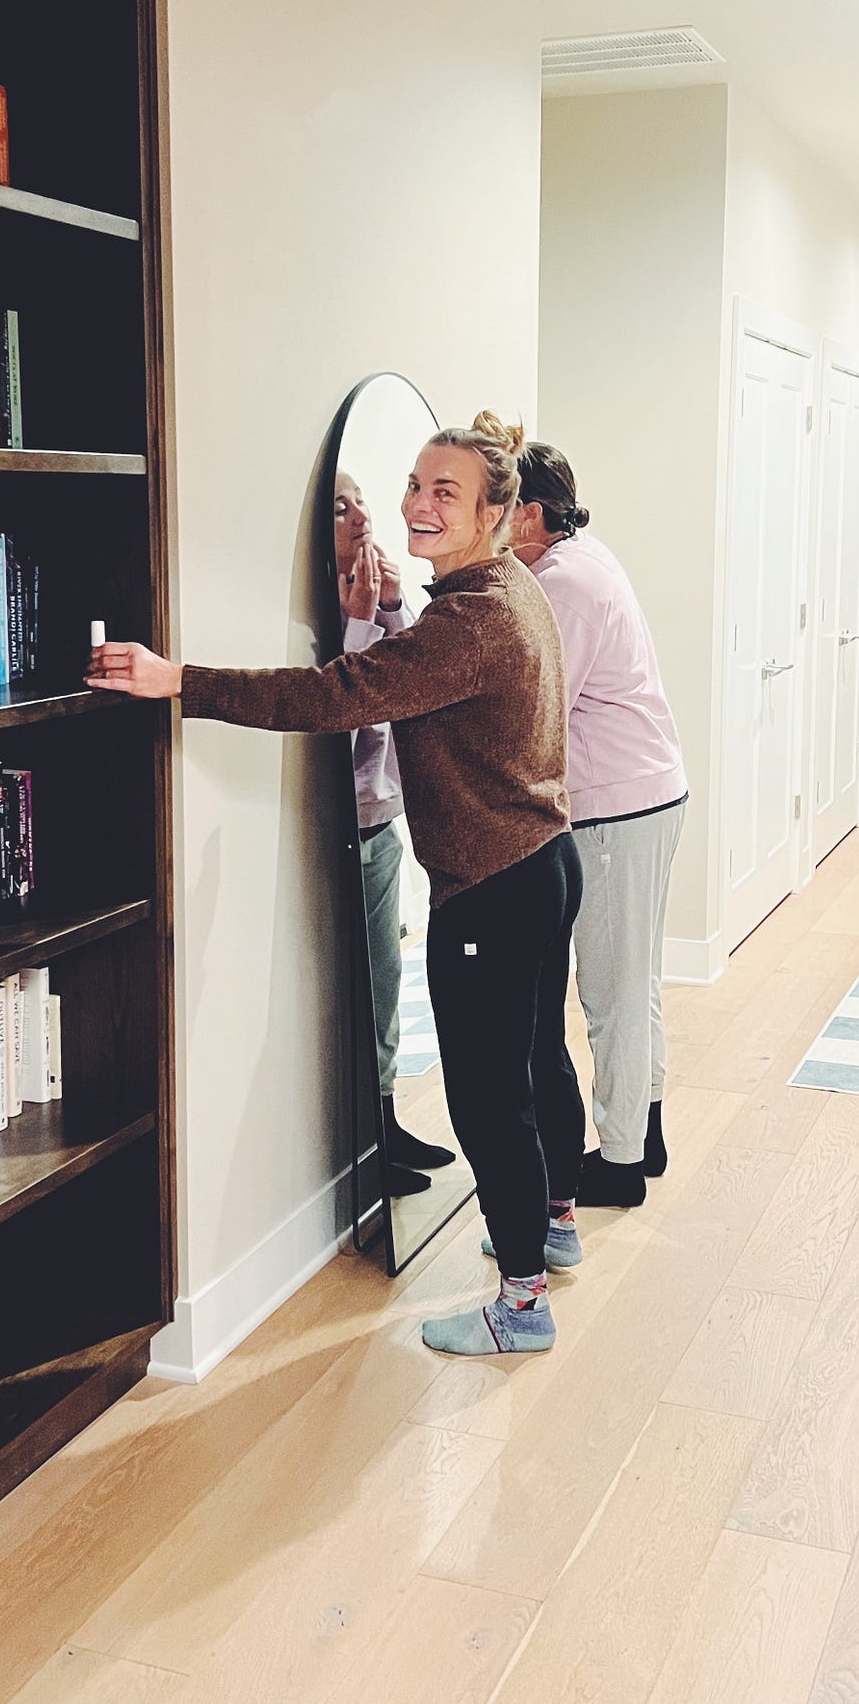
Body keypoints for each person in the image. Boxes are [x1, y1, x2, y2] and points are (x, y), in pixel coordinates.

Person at [88, 413, 586, 1358]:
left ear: (494, 511)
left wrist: (177, 679)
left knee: (488, 1096)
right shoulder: (508, 588)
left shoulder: (472, 620)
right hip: (542, 862)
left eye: (446, 492)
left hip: (492, 883)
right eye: (414, 483)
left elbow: (331, 696)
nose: (419, 503)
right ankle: (551, 1223)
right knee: (533, 1061)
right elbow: (418, 680)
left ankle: (522, 1301)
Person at [511, 441, 686, 1209]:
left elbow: (541, 705)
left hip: (617, 806)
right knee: (636, 978)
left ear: (532, 513)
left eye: (498, 503)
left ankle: (617, 1161)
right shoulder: (582, 559)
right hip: (647, 793)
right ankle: (641, 1132)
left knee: (610, 991)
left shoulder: (561, 585)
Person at [332, 470, 455, 1198]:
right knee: (367, 987)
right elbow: (341, 713)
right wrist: (356, 620)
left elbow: (416, 683)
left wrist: (389, 605)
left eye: (362, 500)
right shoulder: (319, 610)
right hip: (348, 832)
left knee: (389, 981)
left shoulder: (368, 600)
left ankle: (386, 1121)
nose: (363, 515)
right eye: (341, 505)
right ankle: (368, 1135)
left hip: (384, 824)